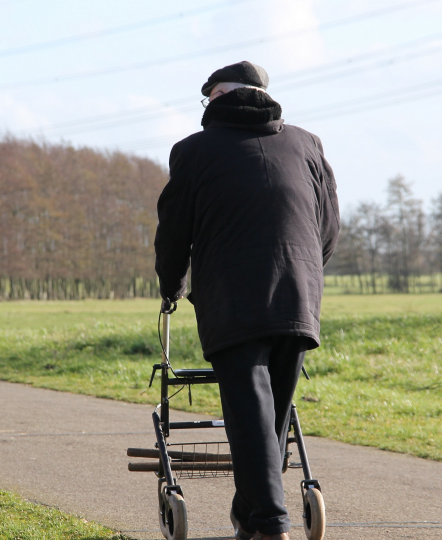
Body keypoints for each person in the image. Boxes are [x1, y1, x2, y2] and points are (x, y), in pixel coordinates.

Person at [154, 60, 339, 540]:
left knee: (252, 414)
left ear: (216, 97)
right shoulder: (307, 144)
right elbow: (328, 227)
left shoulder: (193, 151)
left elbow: (174, 229)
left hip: (232, 297)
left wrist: (169, 283)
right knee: (270, 417)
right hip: (299, 295)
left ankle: (270, 526)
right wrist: (304, 271)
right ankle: (251, 518)